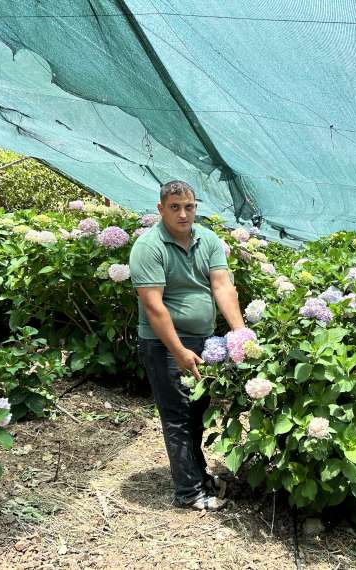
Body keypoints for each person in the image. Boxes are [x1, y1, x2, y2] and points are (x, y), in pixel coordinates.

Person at [130, 180, 244, 511]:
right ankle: (189, 492)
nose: (183, 214)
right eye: (175, 207)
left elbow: (222, 286)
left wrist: (239, 332)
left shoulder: (207, 239)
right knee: (177, 415)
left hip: (203, 340)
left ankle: (199, 475)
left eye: (189, 206)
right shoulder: (149, 247)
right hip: (164, 344)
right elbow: (154, 307)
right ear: (161, 209)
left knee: (196, 413)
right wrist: (178, 350)